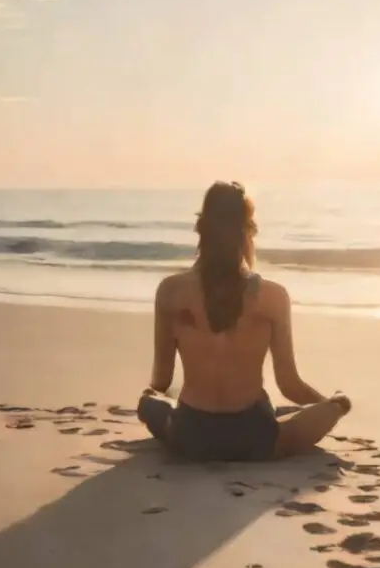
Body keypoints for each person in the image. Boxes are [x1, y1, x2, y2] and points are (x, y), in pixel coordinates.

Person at [136, 181, 351, 461]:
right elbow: (289, 384)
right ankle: (326, 405)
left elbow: (161, 380)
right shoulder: (273, 296)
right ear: (248, 231)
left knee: (148, 400)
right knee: (339, 402)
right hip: (255, 436)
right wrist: (323, 407)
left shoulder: (171, 292)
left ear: (202, 230)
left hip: (190, 435)